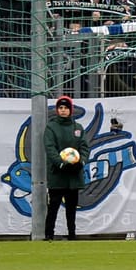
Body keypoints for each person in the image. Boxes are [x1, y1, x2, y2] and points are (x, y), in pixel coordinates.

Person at [42, 95, 89, 241]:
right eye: (60, 108)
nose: (63, 111)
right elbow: (50, 148)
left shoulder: (78, 128)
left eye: (66, 108)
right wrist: (61, 163)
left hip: (73, 174)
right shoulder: (51, 127)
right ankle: (49, 234)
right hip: (57, 174)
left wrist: (80, 162)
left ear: (71, 110)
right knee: (53, 206)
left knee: (71, 207)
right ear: (57, 110)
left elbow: (84, 147)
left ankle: (72, 234)